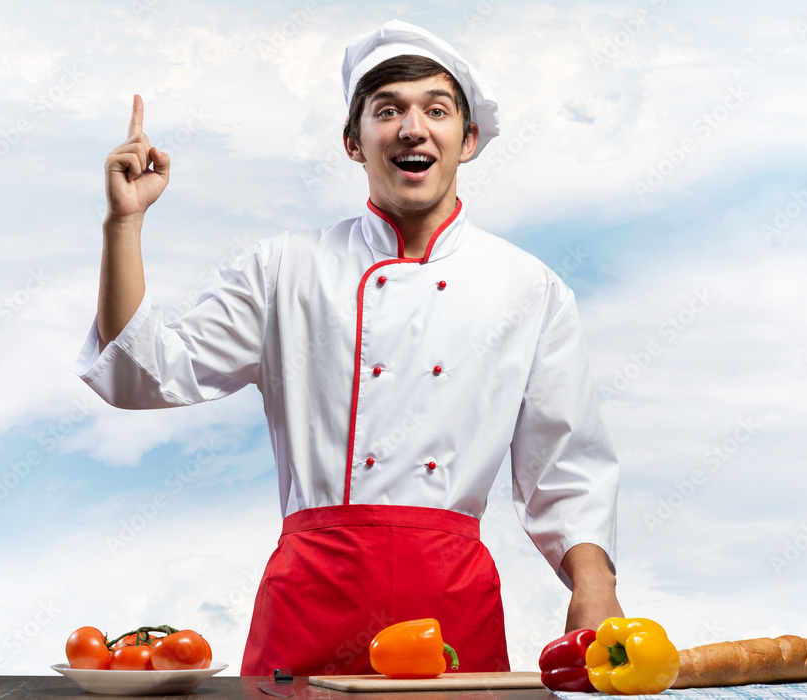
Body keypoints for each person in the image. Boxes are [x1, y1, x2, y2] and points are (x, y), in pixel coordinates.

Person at [76, 20, 623, 676]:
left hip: (452, 608)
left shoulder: (530, 289)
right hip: (311, 599)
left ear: (467, 139)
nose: (412, 128)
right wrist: (124, 223)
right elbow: (143, 375)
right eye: (387, 110)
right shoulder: (283, 270)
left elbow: (565, 467)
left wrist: (596, 591)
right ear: (353, 142)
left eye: (437, 110)